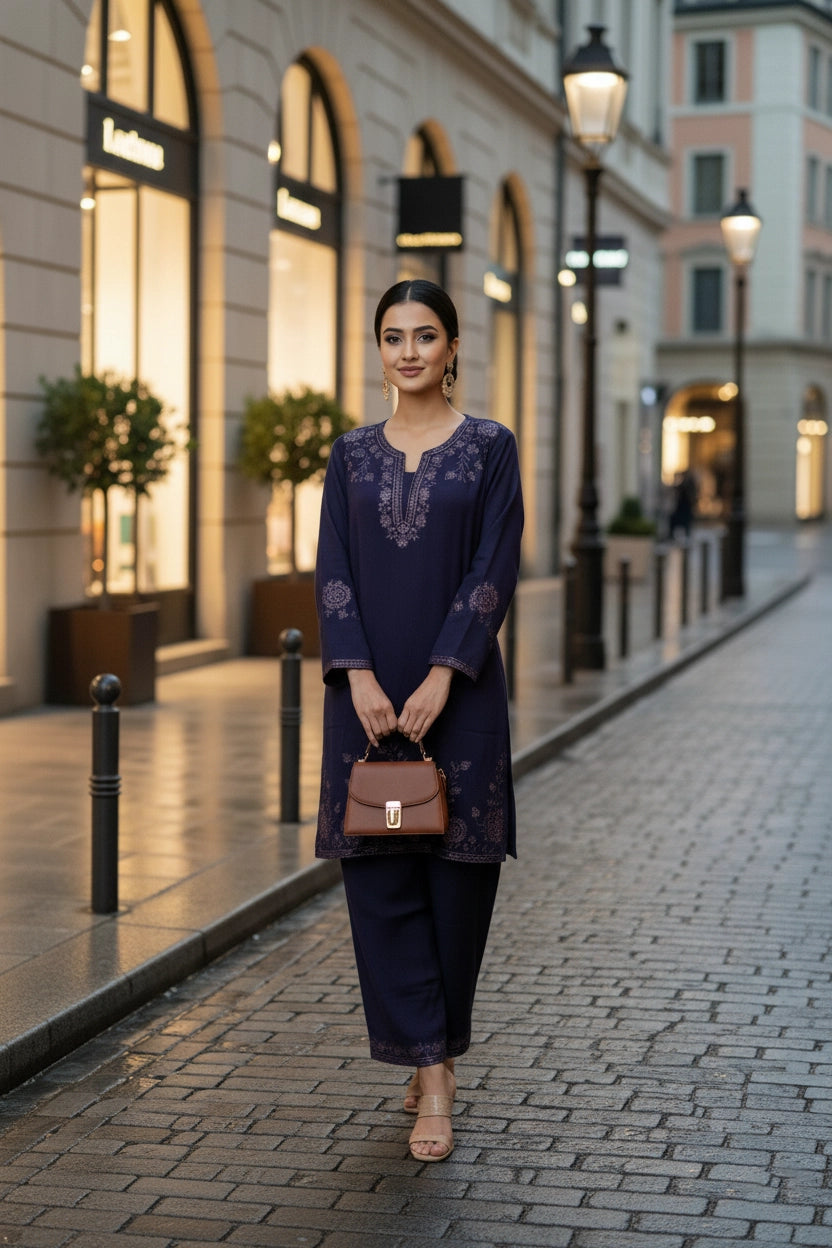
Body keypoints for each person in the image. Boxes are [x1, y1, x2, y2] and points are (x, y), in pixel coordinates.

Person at [314, 278, 524, 1163]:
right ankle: (430, 1072)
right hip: (364, 699)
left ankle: (433, 1051)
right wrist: (356, 673)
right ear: (380, 349)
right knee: (383, 885)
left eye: (424, 335)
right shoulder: (351, 455)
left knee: (457, 886)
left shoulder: (488, 449)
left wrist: (446, 672)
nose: (408, 350)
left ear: (451, 348)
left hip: (461, 691)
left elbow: (494, 565)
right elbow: (332, 567)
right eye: (393, 335)